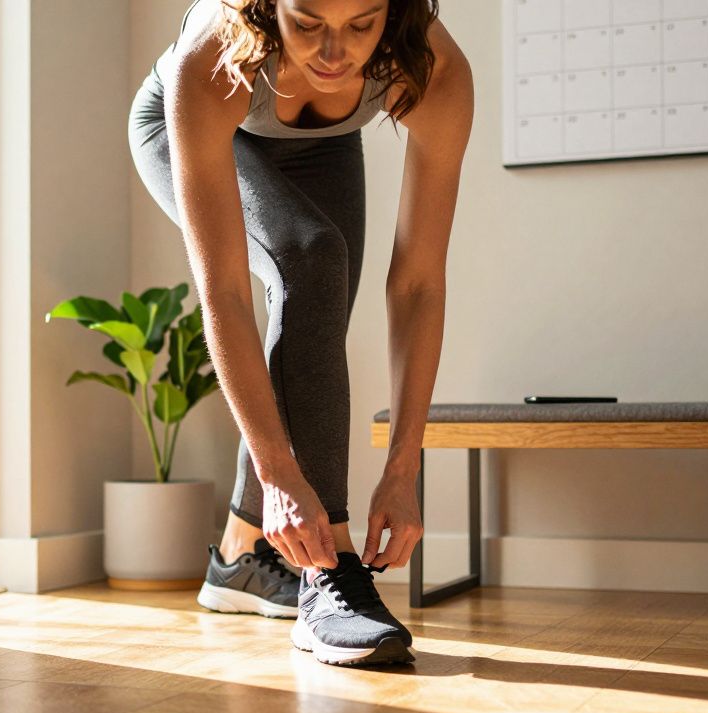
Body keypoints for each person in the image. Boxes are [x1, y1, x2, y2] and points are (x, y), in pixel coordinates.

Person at [127, 0, 473, 666]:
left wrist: (404, 469)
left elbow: (419, 284)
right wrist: (282, 475)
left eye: (361, 24)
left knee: (316, 310)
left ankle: (239, 557)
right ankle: (332, 575)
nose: (335, 52)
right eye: (309, 23)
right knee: (310, 256)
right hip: (183, 123)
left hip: (323, 144)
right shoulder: (213, 56)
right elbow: (223, 291)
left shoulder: (430, 68)